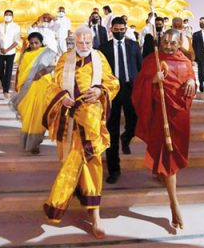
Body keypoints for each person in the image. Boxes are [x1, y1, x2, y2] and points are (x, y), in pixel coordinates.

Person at [42, 25, 118, 238]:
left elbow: (112, 82)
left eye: (87, 42)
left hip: (92, 121)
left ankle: (95, 216)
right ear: (73, 42)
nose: (84, 45)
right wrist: (61, 97)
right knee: (71, 163)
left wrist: (100, 90)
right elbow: (52, 85)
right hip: (69, 121)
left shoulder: (99, 57)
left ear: (92, 41)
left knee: (93, 165)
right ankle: (74, 199)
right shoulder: (64, 59)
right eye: (80, 42)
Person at [132, 29, 196, 229]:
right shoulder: (153, 60)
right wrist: (152, 80)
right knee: (167, 157)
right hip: (160, 114)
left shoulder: (185, 62)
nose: (168, 46)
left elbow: (191, 79)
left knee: (172, 156)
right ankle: (174, 203)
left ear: (179, 44)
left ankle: (166, 180)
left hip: (179, 116)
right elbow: (139, 86)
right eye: (165, 42)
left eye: (172, 43)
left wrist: (192, 81)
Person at [100, 17, 142, 184]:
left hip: (130, 88)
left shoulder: (133, 45)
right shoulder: (103, 48)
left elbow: (140, 67)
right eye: (116, 30)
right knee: (111, 130)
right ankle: (114, 169)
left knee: (135, 121)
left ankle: (127, 137)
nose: (119, 32)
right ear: (111, 30)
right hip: (112, 91)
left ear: (126, 29)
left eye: (121, 29)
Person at [10, 32, 57, 154]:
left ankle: (35, 143)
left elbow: (52, 67)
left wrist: (41, 73)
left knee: (38, 115)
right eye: (31, 43)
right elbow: (20, 71)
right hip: (27, 88)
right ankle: (28, 142)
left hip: (42, 86)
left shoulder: (46, 53)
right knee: (27, 115)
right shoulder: (25, 54)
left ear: (41, 43)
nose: (34, 45)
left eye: (36, 43)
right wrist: (16, 85)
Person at [0, 9, 22, 99]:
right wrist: (1, 48)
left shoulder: (16, 27)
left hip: (10, 52)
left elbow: (16, 41)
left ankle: (5, 90)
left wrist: (8, 49)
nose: (8, 16)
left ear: (12, 16)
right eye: (6, 14)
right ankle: (4, 83)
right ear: (4, 15)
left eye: (10, 15)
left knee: (8, 71)